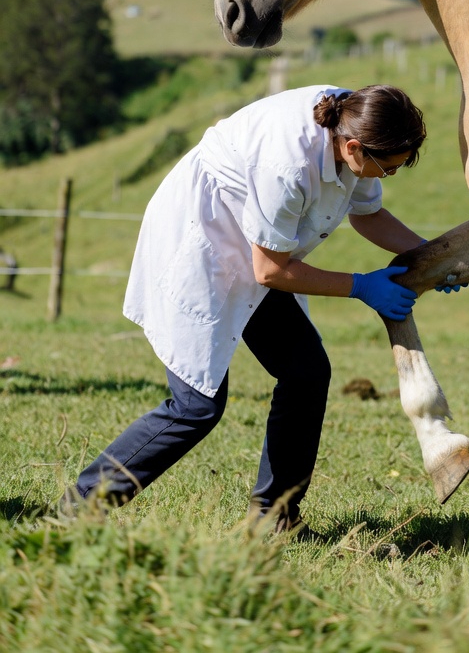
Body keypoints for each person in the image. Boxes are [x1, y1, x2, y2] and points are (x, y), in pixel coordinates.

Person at [64, 83, 430, 531]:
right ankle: (80, 507)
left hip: (254, 244)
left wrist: (433, 258)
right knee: (196, 405)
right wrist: (361, 286)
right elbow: (271, 272)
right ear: (353, 147)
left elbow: (368, 215)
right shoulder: (288, 164)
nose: (384, 178)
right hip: (203, 238)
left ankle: (273, 518)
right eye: (385, 169)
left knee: (306, 372)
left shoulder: (354, 122)